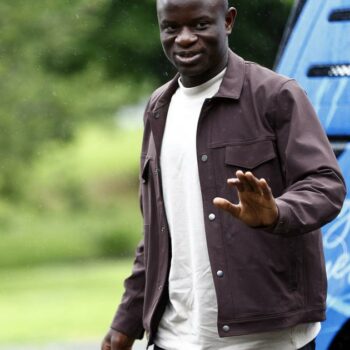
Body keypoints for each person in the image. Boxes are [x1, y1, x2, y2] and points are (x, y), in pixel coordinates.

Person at [101, 0, 346, 349]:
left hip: (267, 338)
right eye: (171, 27)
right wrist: (127, 319)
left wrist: (278, 212)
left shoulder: (275, 95)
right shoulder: (159, 108)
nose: (184, 39)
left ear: (228, 21)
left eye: (200, 25)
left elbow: (326, 185)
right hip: (176, 338)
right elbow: (158, 230)